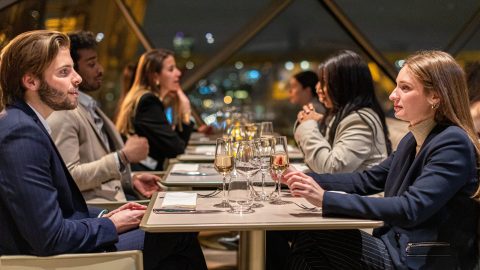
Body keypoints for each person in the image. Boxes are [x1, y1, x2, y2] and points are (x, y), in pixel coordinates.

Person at [0, 30, 207, 270]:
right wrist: (112, 224)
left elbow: (59, 211)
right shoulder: (20, 133)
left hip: (56, 250)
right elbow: (49, 237)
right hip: (50, 261)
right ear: (31, 81)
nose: (77, 78)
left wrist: (105, 216)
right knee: (177, 233)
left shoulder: (27, 123)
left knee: (174, 229)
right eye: (64, 72)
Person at [282, 50, 480, 269]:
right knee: (307, 249)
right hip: (395, 246)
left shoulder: (453, 142)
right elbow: (366, 180)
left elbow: (410, 208)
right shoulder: (413, 139)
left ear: (435, 96)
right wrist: (299, 178)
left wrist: (325, 199)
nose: (392, 95)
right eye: (396, 86)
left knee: (311, 234)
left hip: (418, 257)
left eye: (405, 88)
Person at [47, 31, 161, 202]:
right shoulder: (63, 114)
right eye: (91, 64)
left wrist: (132, 180)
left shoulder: (89, 106)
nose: (100, 69)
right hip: (99, 213)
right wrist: (123, 157)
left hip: (118, 200)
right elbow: (70, 178)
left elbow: (99, 166)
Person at [294, 50, 391, 174]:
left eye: (324, 82)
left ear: (343, 85)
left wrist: (308, 126)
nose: (317, 88)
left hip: (362, 194)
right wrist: (319, 123)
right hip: (344, 191)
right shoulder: (344, 115)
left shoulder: (360, 120)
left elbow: (331, 169)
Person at [116, 49, 193, 171]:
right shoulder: (148, 102)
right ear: (155, 76)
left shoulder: (143, 97)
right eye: (171, 69)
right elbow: (176, 149)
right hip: (142, 176)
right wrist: (185, 111)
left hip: (140, 171)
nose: (178, 73)